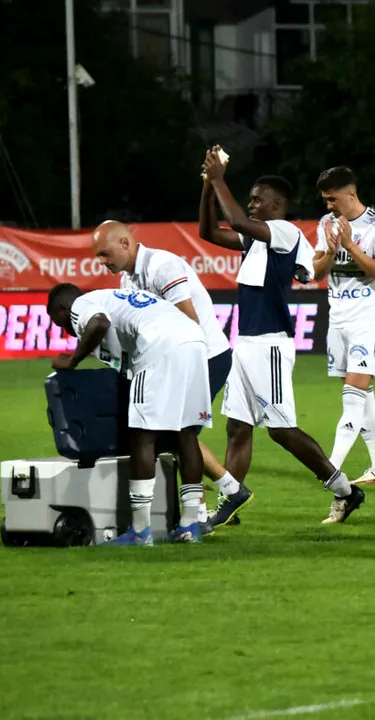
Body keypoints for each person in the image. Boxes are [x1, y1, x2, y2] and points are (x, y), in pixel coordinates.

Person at [197, 150, 365, 526]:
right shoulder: (256, 241)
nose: (252, 204)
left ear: (277, 205)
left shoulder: (284, 232)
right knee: (237, 427)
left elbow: (236, 218)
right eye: (251, 198)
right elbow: (207, 232)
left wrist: (221, 177)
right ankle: (231, 500)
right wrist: (209, 185)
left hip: (270, 344)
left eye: (258, 199)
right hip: (247, 343)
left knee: (281, 430)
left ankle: (345, 490)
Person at [90, 220, 236, 532]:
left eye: (105, 253)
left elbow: (189, 321)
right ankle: (219, 498)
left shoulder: (162, 266)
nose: (101, 262)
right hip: (177, 361)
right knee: (177, 436)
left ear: (126, 244)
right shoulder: (127, 283)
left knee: (178, 436)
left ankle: (206, 508)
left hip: (205, 356)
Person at [48, 284, 210, 545]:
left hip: (159, 343)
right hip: (193, 339)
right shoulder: (111, 297)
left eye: (59, 322)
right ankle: (190, 525)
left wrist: (73, 360)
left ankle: (140, 530)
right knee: (186, 432)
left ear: (62, 308)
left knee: (142, 435)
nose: (64, 329)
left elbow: (98, 323)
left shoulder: (81, 306)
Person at [311, 166, 375, 486]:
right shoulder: (326, 224)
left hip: (367, 321)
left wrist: (350, 245)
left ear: (350, 193)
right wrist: (332, 251)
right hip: (338, 321)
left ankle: (329, 467)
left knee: (352, 397)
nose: (328, 205)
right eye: (325, 200)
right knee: (364, 396)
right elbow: (317, 272)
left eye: (332, 199)